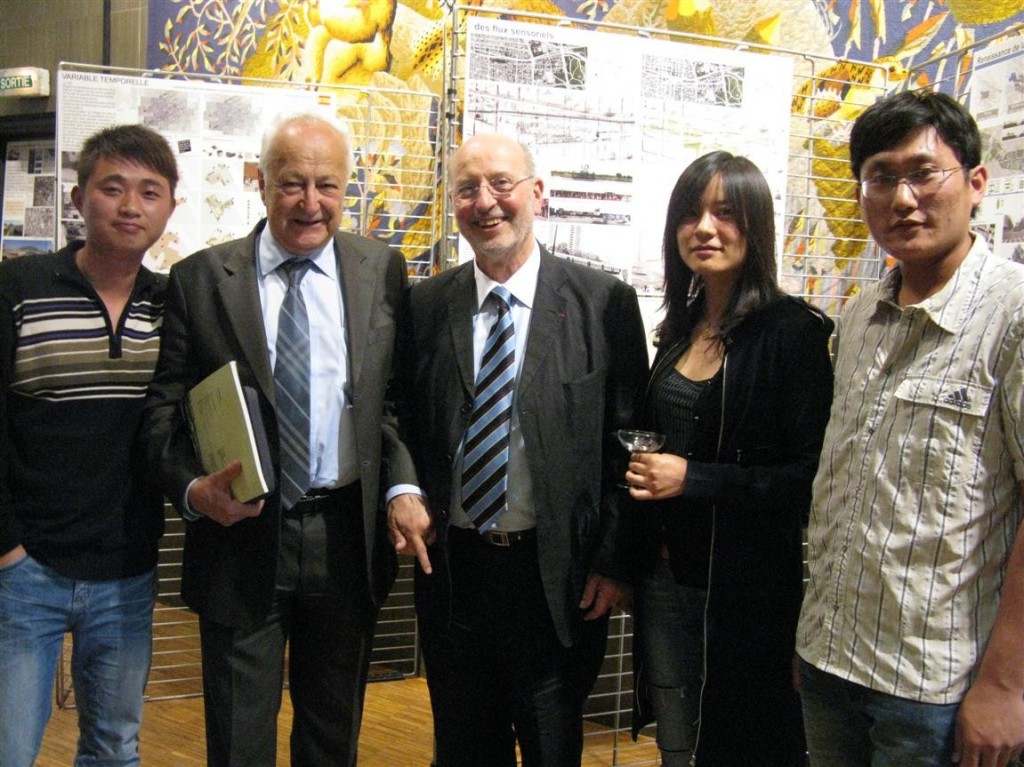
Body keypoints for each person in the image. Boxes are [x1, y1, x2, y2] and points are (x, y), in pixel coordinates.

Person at [140, 113, 418, 766]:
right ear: (261, 183)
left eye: (328, 185)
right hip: (239, 536)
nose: (310, 203)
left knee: (332, 737)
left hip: (345, 536)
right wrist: (193, 489)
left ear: (347, 188)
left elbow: (394, 401)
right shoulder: (201, 279)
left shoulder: (381, 270)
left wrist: (402, 485)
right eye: (292, 183)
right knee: (239, 740)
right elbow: (162, 413)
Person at [388, 133, 649, 766]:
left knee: (552, 747)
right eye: (467, 189)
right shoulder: (425, 305)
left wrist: (615, 561)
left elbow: (629, 442)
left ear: (537, 193)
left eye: (501, 184)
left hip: (558, 580)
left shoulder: (602, 303)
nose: (485, 202)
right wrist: (403, 487)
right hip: (455, 575)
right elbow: (397, 414)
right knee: (462, 749)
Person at [797, 89, 1024, 767]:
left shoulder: (1012, 315)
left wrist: (1006, 684)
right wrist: (813, 641)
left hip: (937, 686)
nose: (902, 198)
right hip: (831, 661)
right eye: (880, 178)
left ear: (976, 183)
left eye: (924, 173)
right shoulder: (859, 316)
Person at [623, 151, 834, 766]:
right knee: (677, 741)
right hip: (665, 580)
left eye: (724, 213)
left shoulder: (793, 333)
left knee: (741, 742)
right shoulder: (681, 326)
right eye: (691, 214)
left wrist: (694, 479)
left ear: (755, 224)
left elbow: (807, 479)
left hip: (744, 590)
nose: (704, 229)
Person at [0, 124, 178, 766]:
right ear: (79, 199)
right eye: (113, 188)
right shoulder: (17, 289)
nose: (131, 207)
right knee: (9, 748)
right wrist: (7, 548)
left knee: (113, 747)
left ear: (171, 206)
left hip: (127, 571)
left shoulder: (172, 304)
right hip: (26, 572)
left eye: (150, 192)